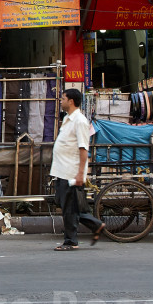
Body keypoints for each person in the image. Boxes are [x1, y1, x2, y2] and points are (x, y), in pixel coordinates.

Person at [50, 88, 105, 250]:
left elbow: (83, 148)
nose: (61, 101)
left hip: (71, 171)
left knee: (70, 207)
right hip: (62, 170)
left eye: (63, 98)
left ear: (71, 101)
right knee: (67, 205)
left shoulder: (80, 121)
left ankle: (71, 241)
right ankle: (95, 225)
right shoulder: (68, 119)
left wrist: (81, 173)